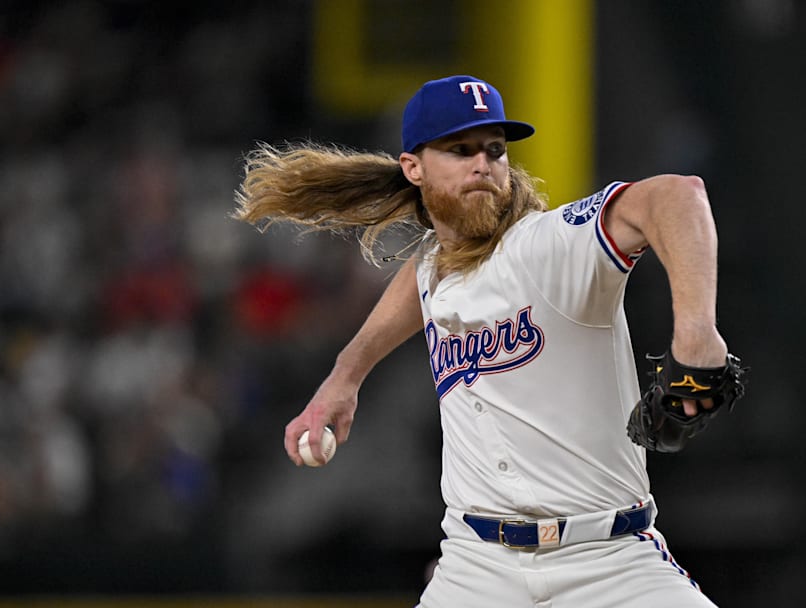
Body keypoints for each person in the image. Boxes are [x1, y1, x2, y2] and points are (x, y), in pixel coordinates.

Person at [233, 75, 731, 607]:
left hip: (607, 563)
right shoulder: (433, 265)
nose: (483, 163)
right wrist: (345, 375)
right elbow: (423, 278)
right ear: (413, 168)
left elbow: (679, 195)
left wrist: (697, 335)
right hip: (478, 566)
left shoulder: (548, 246)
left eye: (494, 149)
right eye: (460, 149)